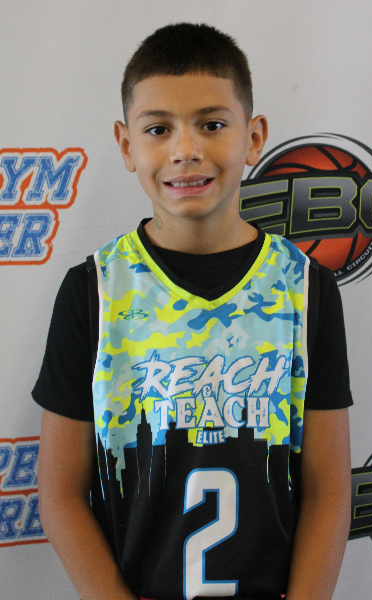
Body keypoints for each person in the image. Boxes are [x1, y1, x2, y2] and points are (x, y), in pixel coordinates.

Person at [33, 22, 352, 600]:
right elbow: (59, 494)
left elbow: (328, 490)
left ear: (254, 137)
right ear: (127, 146)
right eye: (158, 129)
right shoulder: (93, 292)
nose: (186, 150)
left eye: (212, 124)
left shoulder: (307, 289)